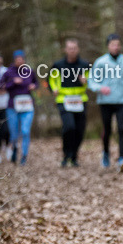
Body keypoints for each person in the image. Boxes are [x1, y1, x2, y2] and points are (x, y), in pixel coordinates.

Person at [88, 34, 123, 172]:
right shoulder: (100, 62)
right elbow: (92, 81)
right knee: (107, 130)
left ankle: (122, 158)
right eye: (113, 44)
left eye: (118, 44)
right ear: (108, 46)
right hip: (106, 101)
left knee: (122, 129)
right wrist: (100, 88)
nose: (116, 47)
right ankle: (105, 153)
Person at [48, 39, 91, 168]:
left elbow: (93, 79)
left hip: (80, 100)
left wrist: (86, 81)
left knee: (79, 130)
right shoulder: (58, 65)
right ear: (65, 50)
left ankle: (74, 155)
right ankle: (66, 153)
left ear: (78, 49)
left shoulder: (85, 64)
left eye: (74, 48)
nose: (72, 51)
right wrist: (54, 89)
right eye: (70, 48)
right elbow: (51, 79)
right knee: (69, 127)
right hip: (64, 100)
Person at [0, 50, 39, 165]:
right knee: (14, 133)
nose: (20, 60)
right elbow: (0, 86)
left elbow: (37, 83)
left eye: (22, 58)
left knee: (25, 131)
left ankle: (24, 155)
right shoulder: (8, 72)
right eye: (17, 58)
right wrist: (13, 82)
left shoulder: (29, 71)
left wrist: (33, 86)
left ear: (24, 59)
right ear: (14, 59)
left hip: (27, 106)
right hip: (12, 107)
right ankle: (15, 148)